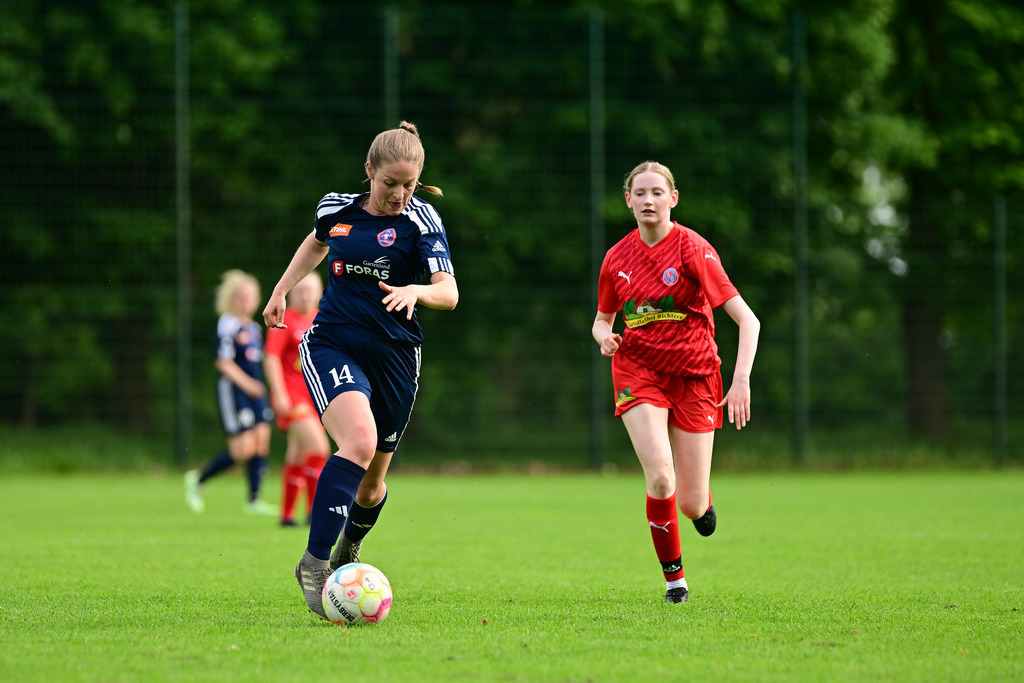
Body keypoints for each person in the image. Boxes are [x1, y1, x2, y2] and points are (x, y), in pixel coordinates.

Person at [262, 121, 458, 619]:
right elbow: (316, 242)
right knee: (358, 442)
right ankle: (313, 563)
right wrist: (281, 290)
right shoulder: (336, 208)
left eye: (408, 185)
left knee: (372, 486)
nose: (398, 194)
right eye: (389, 183)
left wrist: (417, 291)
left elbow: (449, 292)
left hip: (395, 356)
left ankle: (349, 549)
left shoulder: (422, 220)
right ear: (369, 171)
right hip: (332, 342)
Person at [592, 161, 760, 604]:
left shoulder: (693, 249)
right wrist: (604, 337)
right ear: (628, 200)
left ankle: (701, 502)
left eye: (657, 193)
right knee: (660, 477)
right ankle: (675, 582)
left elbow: (748, 320)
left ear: (673, 199)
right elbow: (601, 320)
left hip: (696, 376)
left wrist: (740, 378)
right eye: (640, 193)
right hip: (638, 370)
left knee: (690, 504)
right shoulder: (616, 258)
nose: (648, 200)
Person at [185, 269, 276, 515]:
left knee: (261, 440)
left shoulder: (255, 328)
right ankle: (198, 479)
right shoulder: (228, 324)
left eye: (250, 297)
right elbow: (223, 363)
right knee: (241, 450)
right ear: (231, 299)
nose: (245, 302)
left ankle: (254, 499)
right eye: (240, 297)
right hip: (235, 390)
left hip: (256, 390)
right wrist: (248, 385)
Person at [262, 272, 330, 527]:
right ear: (291, 293)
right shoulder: (285, 320)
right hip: (292, 397)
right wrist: (278, 393)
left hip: (316, 398)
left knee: (298, 454)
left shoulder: (322, 320)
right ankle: (314, 511)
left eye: (311, 289)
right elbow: (270, 358)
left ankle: (287, 515)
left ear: (320, 292)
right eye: (301, 290)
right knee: (319, 448)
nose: (306, 294)